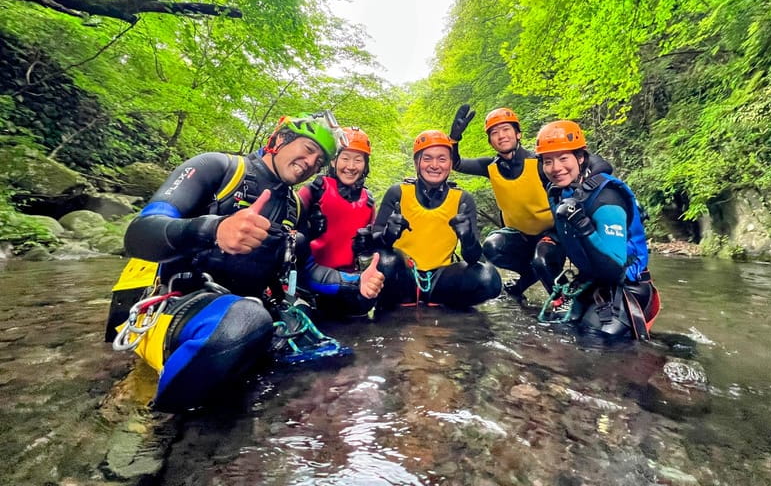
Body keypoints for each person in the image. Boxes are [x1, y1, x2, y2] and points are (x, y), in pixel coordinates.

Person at [107, 112, 375, 410]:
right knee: (247, 319)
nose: (310, 163)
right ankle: (161, 421)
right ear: (280, 140)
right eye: (308, 149)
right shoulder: (217, 168)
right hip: (166, 304)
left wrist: (355, 283)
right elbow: (139, 234)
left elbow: (308, 272)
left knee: (329, 354)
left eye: (318, 161)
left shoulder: (294, 206)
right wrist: (213, 229)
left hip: (235, 311)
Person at [534, 120, 661, 339]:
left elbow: (614, 270)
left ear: (580, 158)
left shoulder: (607, 198)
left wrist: (582, 224)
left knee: (595, 341)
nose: (556, 168)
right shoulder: (559, 191)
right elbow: (566, 232)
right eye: (548, 161)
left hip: (626, 287)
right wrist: (549, 242)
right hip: (592, 282)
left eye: (563, 158)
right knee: (557, 331)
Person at [359, 130, 502, 309]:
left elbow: (474, 259)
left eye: (442, 159)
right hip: (403, 275)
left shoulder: (463, 200)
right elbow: (373, 246)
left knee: (489, 279)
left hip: (442, 279)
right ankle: (402, 304)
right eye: (427, 158)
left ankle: (437, 302)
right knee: (386, 259)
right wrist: (387, 235)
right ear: (416, 162)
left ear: (450, 163)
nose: (435, 165)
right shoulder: (397, 193)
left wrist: (468, 239)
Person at [447, 104, 567, 299]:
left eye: (506, 130)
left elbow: (572, 169)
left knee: (542, 260)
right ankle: (528, 275)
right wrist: (453, 139)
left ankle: (563, 301)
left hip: (551, 235)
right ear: (490, 141)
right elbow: (455, 163)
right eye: (495, 132)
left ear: (518, 134)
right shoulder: (490, 166)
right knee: (491, 247)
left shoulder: (539, 163)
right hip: (519, 236)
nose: (501, 135)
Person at [297, 127, 385, 317]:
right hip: (311, 276)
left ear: (365, 165)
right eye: (345, 158)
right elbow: (288, 230)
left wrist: (366, 246)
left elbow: (370, 251)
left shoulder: (368, 201)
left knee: (366, 299)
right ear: (334, 161)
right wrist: (307, 228)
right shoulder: (314, 190)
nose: (351, 166)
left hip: (346, 278)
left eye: (358, 159)